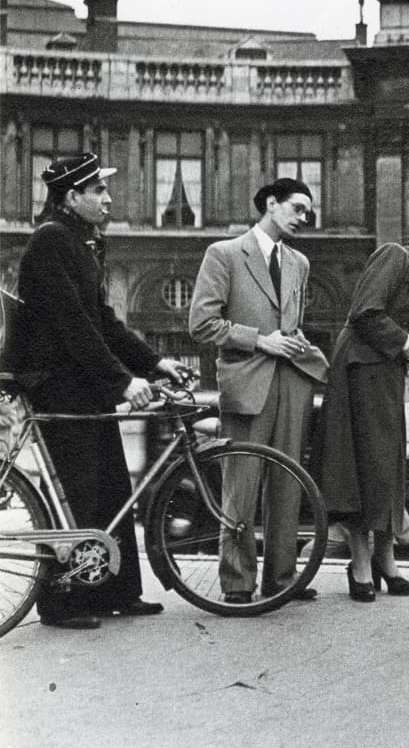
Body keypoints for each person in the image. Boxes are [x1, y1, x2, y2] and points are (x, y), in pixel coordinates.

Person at [4, 153, 190, 629]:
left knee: (112, 485)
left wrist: (153, 361)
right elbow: (72, 325)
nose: (108, 199)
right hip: (56, 383)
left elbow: (103, 321)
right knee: (80, 491)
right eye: (98, 191)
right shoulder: (51, 243)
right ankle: (62, 602)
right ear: (72, 197)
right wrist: (124, 381)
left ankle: (117, 592)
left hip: (80, 383)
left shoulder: (83, 242)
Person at [189, 177, 329, 605]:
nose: (304, 218)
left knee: (288, 483)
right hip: (247, 383)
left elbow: (291, 322)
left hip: (292, 382)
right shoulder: (225, 254)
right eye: (298, 208)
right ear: (271, 203)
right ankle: (237, 583)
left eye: (308, 212)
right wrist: (260, 340)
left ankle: (282, 579)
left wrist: (296, 341)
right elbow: (201, 324)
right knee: (241, 487)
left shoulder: (299, 263)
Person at [313, 229, 409, 602]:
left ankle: (385, 558)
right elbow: (365, 310)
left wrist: (406, 345)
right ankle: (362, 564)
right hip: (359, 370)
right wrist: (405, 342)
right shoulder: (396, 256)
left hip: (380, 373)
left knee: (384, 463)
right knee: (362, 465)